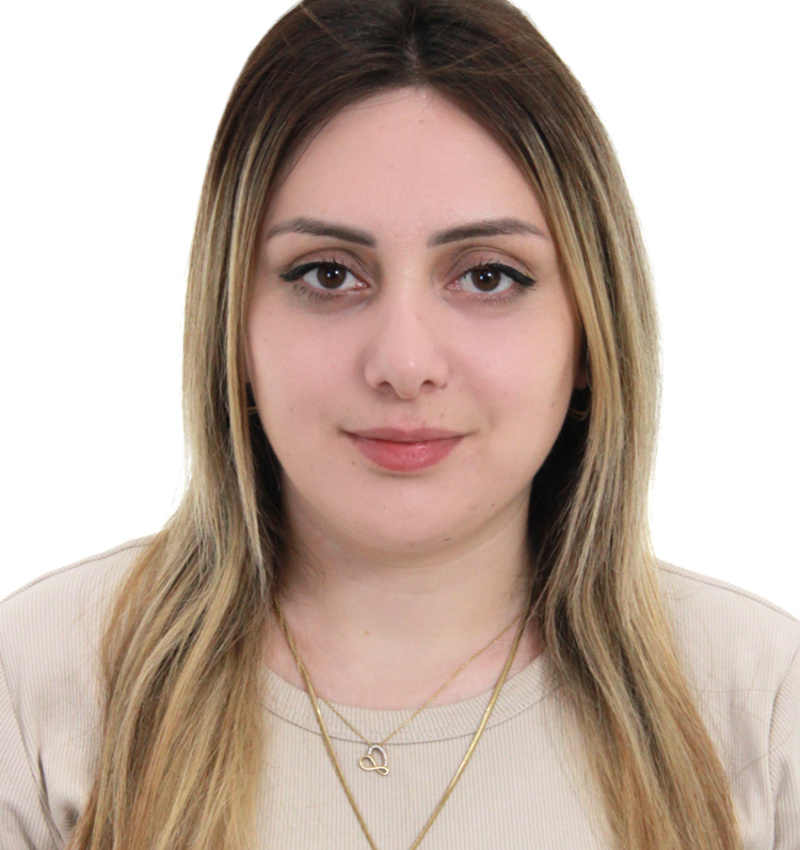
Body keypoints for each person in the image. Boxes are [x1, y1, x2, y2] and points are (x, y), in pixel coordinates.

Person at [1, 0, 798, 848]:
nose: (404, 362)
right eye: (327, 274)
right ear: (232, 325)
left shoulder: (762, 701)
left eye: (487, 276)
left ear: (591, 332)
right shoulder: (38, 688)